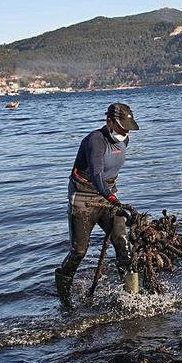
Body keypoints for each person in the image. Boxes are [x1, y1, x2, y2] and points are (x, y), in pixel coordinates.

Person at [54, 103, 139, 304]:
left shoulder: (124, 141)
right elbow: (97, 174)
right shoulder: (96, 140)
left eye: (127, 127)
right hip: (83, 197)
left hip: (108, 194)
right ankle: (63, 296)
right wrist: (112, 199)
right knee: (79, 252)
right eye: (121, 126)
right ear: (109, 121)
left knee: (122, 242)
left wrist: (111, 197)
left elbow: (109, 177)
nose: (125, 131)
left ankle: (132, 297)